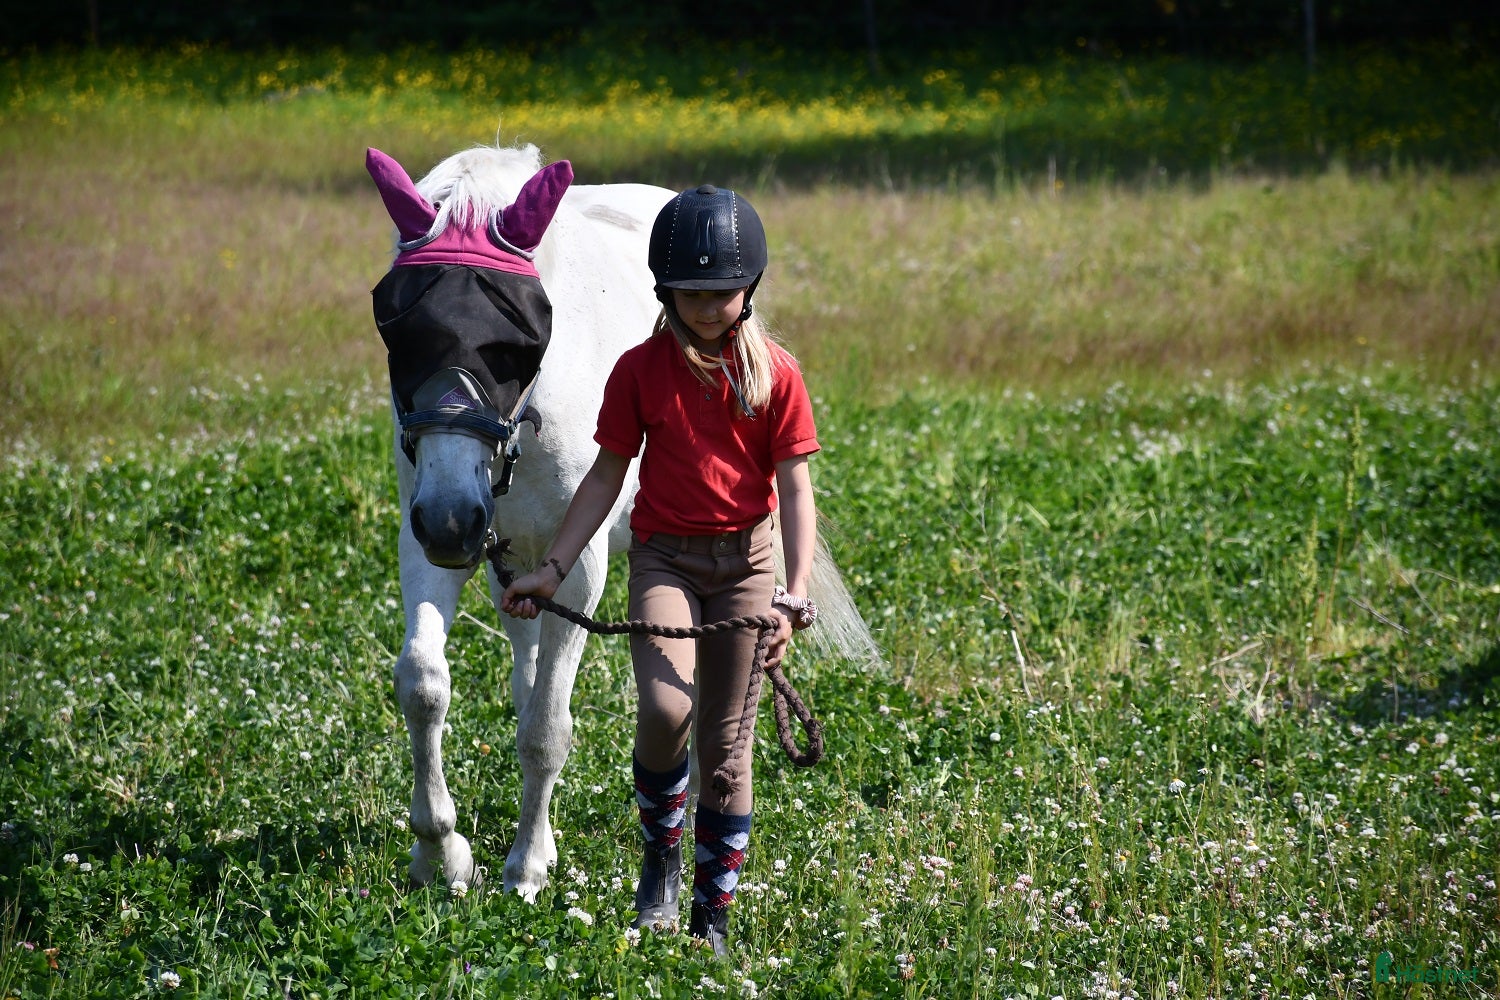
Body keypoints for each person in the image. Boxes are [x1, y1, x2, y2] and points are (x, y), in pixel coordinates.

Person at [501, 184, 821, 956]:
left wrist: (794, 595)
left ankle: (712, 915)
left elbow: (795, 490)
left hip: (746, 570)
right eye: (691, 292)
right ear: (664, 291)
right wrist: (553, 567)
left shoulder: (777, 375)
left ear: (750, 288)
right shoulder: (639, 371)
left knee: (727, 750)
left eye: (722, 292)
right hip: (665, 562)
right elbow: (605, 478)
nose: (707, 307)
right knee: (665, 710)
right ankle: (661, 860)